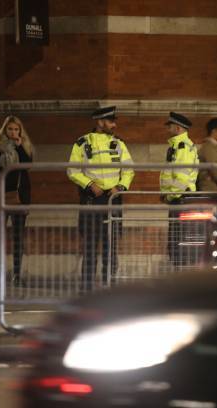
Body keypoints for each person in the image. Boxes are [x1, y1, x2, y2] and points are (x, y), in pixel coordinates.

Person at [67, 106, 134, 291]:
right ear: (100, 122)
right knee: (90, 244)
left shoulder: (119, 143)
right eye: (111, 121)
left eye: (114, 121)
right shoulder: (82, 143)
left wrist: (120, 187)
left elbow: (128, 169)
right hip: (91, 199)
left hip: (113, 199)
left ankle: (109, 285)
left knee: (110, 245)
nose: (115, 124)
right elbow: (72, 170)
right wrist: (89, 185)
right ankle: (87, 287)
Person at [0, 116, 34, 286]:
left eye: (16, 129)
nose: (13, 132)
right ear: (4, 130)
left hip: (19, 195)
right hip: (1, 194)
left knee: (18, 236)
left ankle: (16, 274)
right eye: (10, 129)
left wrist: (20, 146)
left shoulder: (25, 145)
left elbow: (27, 165)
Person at [159, 112, 199, 266]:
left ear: (177, 128)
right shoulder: (176, 146)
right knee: (176, 240)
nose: (168, 129)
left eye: (169, 126)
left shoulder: (182, 147)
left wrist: (169, 196)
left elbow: (181, 178)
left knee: (178, 241)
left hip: (180, 198)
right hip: (177, 198)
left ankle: (180, 277)